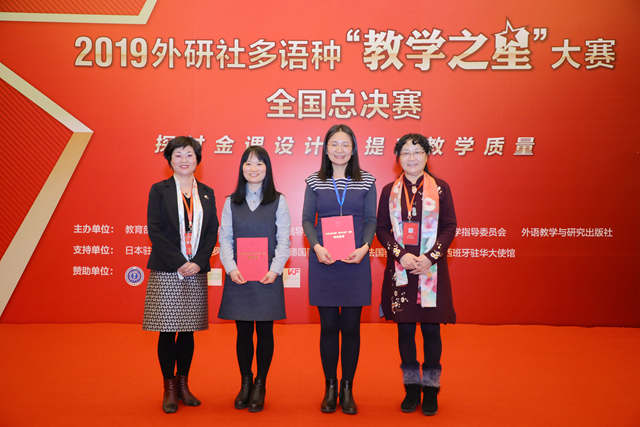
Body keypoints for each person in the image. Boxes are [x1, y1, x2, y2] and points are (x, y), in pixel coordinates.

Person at [376, 133, 457, 416]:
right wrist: (401, 254)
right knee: (405, 333)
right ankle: (411, 390)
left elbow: (449, 226)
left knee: (432, 333)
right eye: (406, 153)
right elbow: (381, 229)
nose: (412, 158)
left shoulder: (442, 189)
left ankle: (431, 390)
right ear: (398, 158)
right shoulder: (389, 191)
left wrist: (430, 257)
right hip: (402, 271)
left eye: (417, 152)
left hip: (431, 270)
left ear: (427, 156)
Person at [302, 124, 377, 415]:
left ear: (354, 149)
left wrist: (365, 246)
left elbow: (370, 220)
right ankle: (330, 386)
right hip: (325, 261)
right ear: (326, 149)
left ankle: (348, 387)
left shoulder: (367, 181)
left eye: (345, 144)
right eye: (334, 144)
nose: (340, 150)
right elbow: (307, 219)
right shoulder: (314, 181)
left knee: (351, 328)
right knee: (329, 327)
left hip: (355, 262)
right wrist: (316, 246)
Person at [142, 136, 219, 414]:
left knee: (187, 331)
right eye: (178, 155)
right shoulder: (159, 190)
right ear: (169, 160)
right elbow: (155, 230)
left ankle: (184, 384)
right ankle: (169, 388)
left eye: (189, 155)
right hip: (168, 269)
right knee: (167, 331)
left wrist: (198, 262)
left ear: (197, 159)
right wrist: (179, 262)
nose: (184, 160)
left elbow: (212, 231)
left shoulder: (207, 192)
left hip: (195, 270)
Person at [218, 146, 290, 413]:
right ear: (241, 168)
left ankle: (261, 383)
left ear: (267, 168)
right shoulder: (231, 202)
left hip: (267, 276)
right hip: (239, 276)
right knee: (243, 332)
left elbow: (284, 240)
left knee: (265, 331)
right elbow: (225, 238)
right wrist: (230, 268)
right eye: (248, 163)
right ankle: (245, 381)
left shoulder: (279, 201)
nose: (253, 168)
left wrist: (275, 269)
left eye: (259, 163)